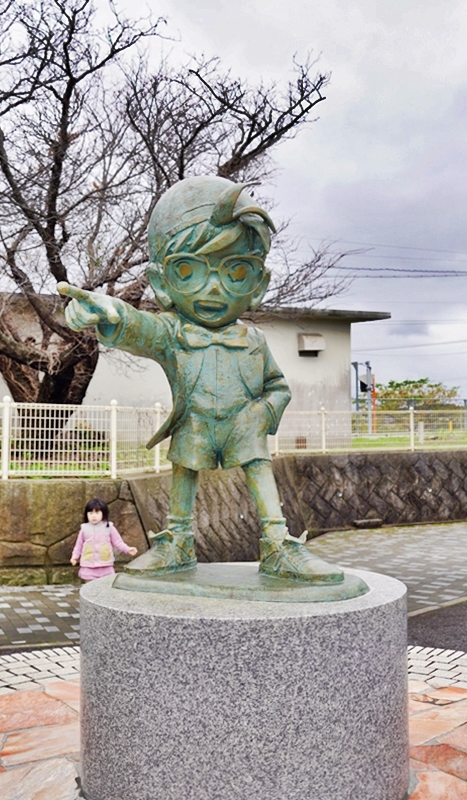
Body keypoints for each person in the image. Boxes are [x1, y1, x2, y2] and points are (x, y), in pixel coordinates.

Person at [57, 176, 344, 583]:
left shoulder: (254, 339)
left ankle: (278, 545)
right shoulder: (174, 332)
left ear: (258, 285)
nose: (213, 287)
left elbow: (278, 386)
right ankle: (176, 542)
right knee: (183, 474)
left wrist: (263, 413)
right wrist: (113, 313)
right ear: (162, 282)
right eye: (190, 269)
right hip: (194, 422)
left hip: (244, 422)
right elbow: (141, 328)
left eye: (236, 270)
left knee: (259, 470)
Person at [70, 498, 137, 581]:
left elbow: (118, 542)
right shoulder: (84, 529)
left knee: (104, 585)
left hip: (105, 564)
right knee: (90, 586)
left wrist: (127, 549)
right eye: (90, 513)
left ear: (103, 513)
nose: (93, 516)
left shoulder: (109, 527)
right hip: (89, 564)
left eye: (97, 513)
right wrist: (75, 557)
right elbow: (78, 545)